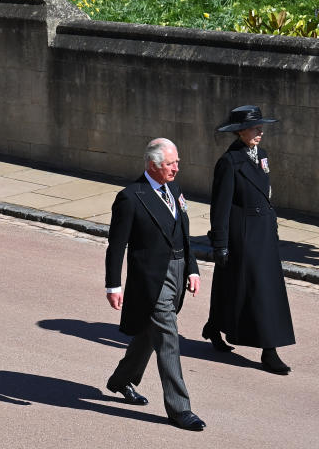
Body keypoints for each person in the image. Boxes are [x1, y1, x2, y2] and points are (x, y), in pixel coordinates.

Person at [104, 138, 205, 431]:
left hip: (177, 270)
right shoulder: (131, 197)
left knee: (150, 334)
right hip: (151, 279)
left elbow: (184, 232)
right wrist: (113, 285)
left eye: (177, 163)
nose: (176, 168)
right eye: (170, 164)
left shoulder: (173, 188)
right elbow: (116, 246)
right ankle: (180, 409)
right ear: (152, 165)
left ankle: (121, 380)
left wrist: (193, 268)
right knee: (168, 338)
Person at [203, 105, 295, 374]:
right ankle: (270, 350)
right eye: (255, 128)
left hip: (264, 231)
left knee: (234, 284)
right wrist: (219, 243)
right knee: (260, 291)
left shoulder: (262, 155)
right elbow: (219, 207)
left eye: (260, 127)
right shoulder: (229, 162)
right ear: (240, 132)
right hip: (243, 234)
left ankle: (214, 325)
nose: (260, 132)